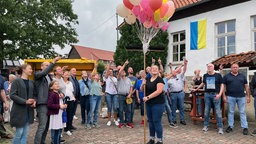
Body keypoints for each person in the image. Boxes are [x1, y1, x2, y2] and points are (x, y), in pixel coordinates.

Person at [34, 56, 61, 144]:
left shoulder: (49, 77)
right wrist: (53, 62)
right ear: (41, 67)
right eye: (46, 65)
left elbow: (53, 88)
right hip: (42, 104)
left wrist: (59, 93)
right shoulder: (38, 75)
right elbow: (44, 72)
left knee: (46, 126)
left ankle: (43, 142)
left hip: (49, 103)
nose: (47, 67)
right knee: (42, 126)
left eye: (48, 65)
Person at [194, 63, 224, 134]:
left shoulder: (218, 75)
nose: (209, 67)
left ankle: (220, 128)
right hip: (207, 95)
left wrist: (220, 94)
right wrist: (197, 88)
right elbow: (203, 83)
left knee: (218, 112)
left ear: (213, 67)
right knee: (206, 111)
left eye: (210, 66)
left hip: (215, 95)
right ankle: (205, 126)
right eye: (208, 66)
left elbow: (222, 85)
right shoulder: (205, 75)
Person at [10, 64, 36, 144]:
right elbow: (12, 95)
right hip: (19, 111)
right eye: (30, 68)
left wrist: (34, 101)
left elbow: (34, 94)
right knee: (19, 133)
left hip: (28, 111)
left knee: (25, 134)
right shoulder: (16, 81)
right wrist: (25, 101)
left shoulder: (31, 82)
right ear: (24, 70)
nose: (31, 70)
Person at [223, 63, 250, 135]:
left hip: (241, 97)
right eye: (233, 67)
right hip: (230, 97)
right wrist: (224, 96)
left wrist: (248, 96)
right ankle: (230, 126)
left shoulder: (242, 76)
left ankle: (245, 127)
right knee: (231, 112)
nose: (235, 68)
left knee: (242, 112)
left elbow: (246, 86)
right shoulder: (226, 76)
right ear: (231, 68)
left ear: (238, 68)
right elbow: (223, 87)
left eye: (236, 67)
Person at [141, 65, 165, 144]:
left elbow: (159, 91)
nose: (154, 69)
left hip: (158, 103)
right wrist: (143, 84)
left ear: (158, 71)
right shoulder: (147, 79)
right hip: (149, 104)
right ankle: (152, 138)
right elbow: (142, 90)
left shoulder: (160, 80)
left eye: (156, 68)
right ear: (150, 71)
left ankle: (159, 140)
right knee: (150, 121)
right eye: (153, 68)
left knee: (156, 121)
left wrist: (148, 97)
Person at [167, 59, 188, 126]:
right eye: (173, 72)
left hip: (180, 93)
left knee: (181, 107)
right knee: (173, 107)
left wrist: (185, 64)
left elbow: (184, 70)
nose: (174, 73)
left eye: (175, 72)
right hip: (173, 94)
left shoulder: (180, 76)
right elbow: (166, 87)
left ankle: (182, 120)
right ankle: (174, 120)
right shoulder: (169, 80)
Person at [117, 60, 133, 128]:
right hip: (121, 96)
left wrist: (130, 94)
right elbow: (120, 71)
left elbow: (131, 87)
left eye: (124, 71)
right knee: (121, 110)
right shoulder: (119, 78)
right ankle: (121, 122)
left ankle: (128, 122)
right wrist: (124, 64)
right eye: (121, 71)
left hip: (128, 96)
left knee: (128, 110)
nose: (123, 72)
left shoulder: (128, 79)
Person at [86, 64, 103, 129]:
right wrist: (95, 67)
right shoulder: (91, 81)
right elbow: (91, 75)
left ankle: (95, 122)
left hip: (99, 97)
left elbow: (99, 89)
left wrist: (101, 93)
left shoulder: (99, 82)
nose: (98, 76)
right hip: (93, 97)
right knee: (92, 110)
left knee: (96, 111)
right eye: (97, 75)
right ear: (94, 77)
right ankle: (88, 123)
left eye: (98, 75)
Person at [104, 61, 119, 126]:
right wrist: (109, 64)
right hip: (108, 94)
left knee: (115, 107)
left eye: (111, 71)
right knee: (109, 107)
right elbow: (106, 71)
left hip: (115, 94)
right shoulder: (106, 78)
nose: (110, 72)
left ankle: (115, 120)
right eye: (109, 71)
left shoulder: (115, 79)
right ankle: (109, 120)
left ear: (113, 72)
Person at [63, 70, 76, 136]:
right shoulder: (61, 82)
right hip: (64, 100)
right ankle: (64, 128)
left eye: (68, 74)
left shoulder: (70, 83)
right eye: (66, 74)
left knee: (70, 115)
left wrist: (73, 97)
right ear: (63, 75)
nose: (67, 75)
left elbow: (72, 91)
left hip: (71, 100)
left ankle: (68, 128)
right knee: (64, 115)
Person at [0, 75, 12, 139]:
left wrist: (6, 102)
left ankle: (3, 134)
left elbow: (2, 91)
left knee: (0, 119)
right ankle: (3, 133)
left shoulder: (1, 78)